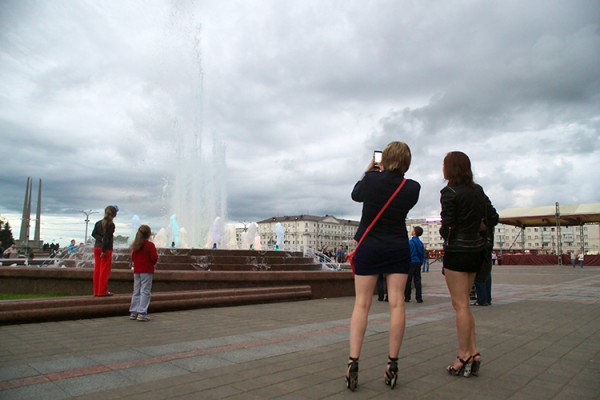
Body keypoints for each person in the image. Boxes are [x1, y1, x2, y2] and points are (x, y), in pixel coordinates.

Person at [346, 141, 420, 391]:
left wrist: (370, 170)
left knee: (362, 304)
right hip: (397, 247)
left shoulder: (371, 180)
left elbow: (356, 195)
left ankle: (353, 363)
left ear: (383, 159)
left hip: (369, 247)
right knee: (397, 303)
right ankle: (392, 363)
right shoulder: (412, 188)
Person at [439, 151, 498, 378]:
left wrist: (452, 230)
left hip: (456, 252)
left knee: (460, 305)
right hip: (475, 251)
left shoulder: (449, 192)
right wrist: (477, 226)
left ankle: (462, 355)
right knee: (464, 304)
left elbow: (447, 226)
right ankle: (474, 352)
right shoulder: (478, 190)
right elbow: (493, 217)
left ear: (449, 169)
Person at [129, 224, 158, 321]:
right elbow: (154, 258)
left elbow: (133, 258)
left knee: (136, 291)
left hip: (137, 271)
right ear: (149, 234)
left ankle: (133, 312)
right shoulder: (150, 245)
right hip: (146, 270)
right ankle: (142, 313)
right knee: (145, 291)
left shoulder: (136, 245)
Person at [91, 205, 118, 297]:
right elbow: (107, 237)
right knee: (104, 270)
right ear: (114, 215)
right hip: (105, 250)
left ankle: (96, 291)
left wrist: (100, 239)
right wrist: (103, 250)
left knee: (97, 269)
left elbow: (93, 234)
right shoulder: (111, 225)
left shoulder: (98, 223)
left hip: (96, 248)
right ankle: (102, 291)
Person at [405, 226, 425, 303]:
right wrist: (420, 262)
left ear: (414, 232)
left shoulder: (410, 242)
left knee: (408, 280)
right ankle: (419, 298)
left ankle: (407, 297)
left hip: (411, 262)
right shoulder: (420, 243)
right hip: (418, 262)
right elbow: (422, 254)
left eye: (413, 230)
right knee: (418, 280)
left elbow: (407, 253)